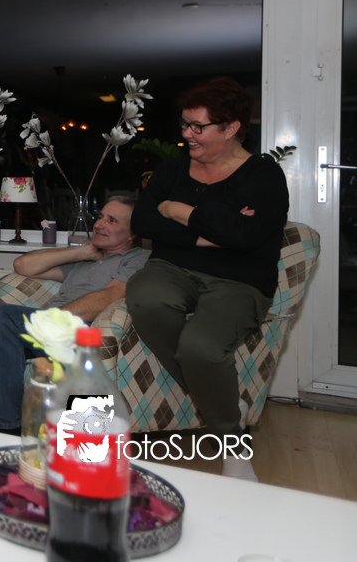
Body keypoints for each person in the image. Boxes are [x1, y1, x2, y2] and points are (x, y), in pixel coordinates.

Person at [125, 76, 288, 482]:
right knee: (146, 297)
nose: (186, 134)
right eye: (184, 124)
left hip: (240, 280)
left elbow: (246, 237)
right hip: (171, 269)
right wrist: (211, 232)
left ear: (231, 128)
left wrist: (178, 210)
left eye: (198, 127)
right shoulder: (173, 169)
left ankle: (231, 442)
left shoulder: (263, 176)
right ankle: (228, 406)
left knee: (200, 348)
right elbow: (143, 222)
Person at [0, 197, 148, 432]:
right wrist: (85, 251)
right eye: (101, 217)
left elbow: (109, 297)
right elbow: (23, 265)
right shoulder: (86, 260)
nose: (99, 224)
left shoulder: (138, 259)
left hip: (72, 332)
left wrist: (50, 318)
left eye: (112, 220)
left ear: (132, 234)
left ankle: (8, 428)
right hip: (42, 328)